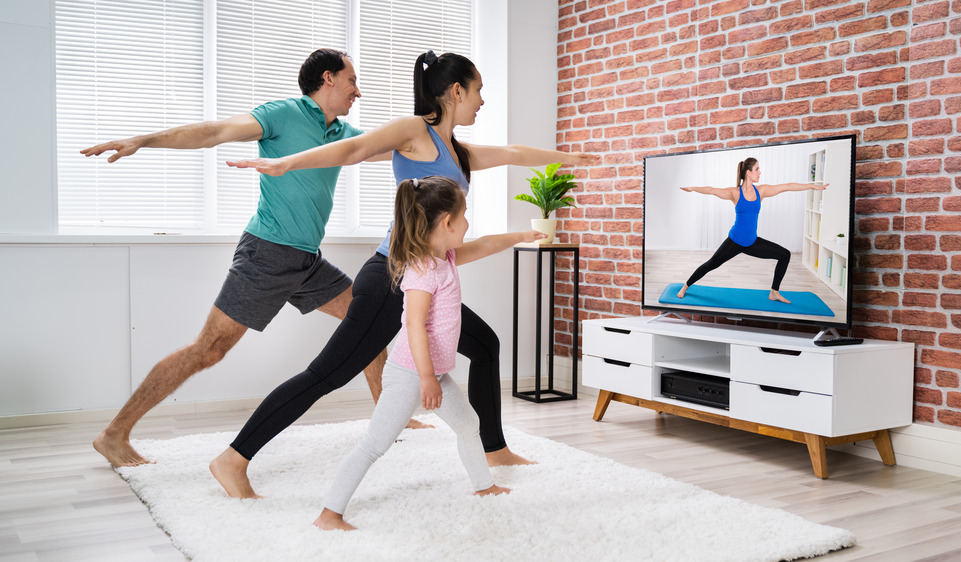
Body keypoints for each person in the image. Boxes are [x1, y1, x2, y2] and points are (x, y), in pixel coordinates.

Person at [210, 50, 599, 498]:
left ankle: (493, 449)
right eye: (478, 92)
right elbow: (355, 148)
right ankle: (233, 458)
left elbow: (513, 153)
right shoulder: (415, 132)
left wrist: (574, 157)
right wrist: (287, 163)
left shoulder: (459, 152)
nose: (481, 102)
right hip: (391, 277)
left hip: (425, 276)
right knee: (326, 375)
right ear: (456, 91)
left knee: (485, 345)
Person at [82, 48, 427, 468]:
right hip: (267, 253)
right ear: (328, 79)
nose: (359, 90)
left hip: (306, 261)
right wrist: (144, 139)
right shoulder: (282, 114)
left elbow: (402, 149)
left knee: (367, 323)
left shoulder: (342, 134)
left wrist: (442, 128)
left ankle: (389, 420)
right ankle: (113, 434)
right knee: (208, 350)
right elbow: (214, 131)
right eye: (352, 80)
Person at [316, 176, 539, 531]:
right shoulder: (422, 272)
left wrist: (523, 237)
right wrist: (424, 379)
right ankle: (329, 513)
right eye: (464, 215)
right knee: (374, 444)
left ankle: (484, 486)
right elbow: (414, 327)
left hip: (432, 372)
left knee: (468, 424)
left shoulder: (446, 257)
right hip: (410, 374)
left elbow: (484, 245)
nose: (468, 223)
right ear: (447, 223)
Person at [676, 157, 828, 304]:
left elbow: (787, 186)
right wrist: (693, 188)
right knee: (712, 264)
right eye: (757, 169)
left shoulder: (761, 191)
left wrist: (812, 186)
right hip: (735, 241)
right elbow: (711, 190)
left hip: (752, 242)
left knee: (785, 255)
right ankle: (685, 286)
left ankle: (774, 292)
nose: (760, 172)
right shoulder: (735, 193)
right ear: (748, 172)